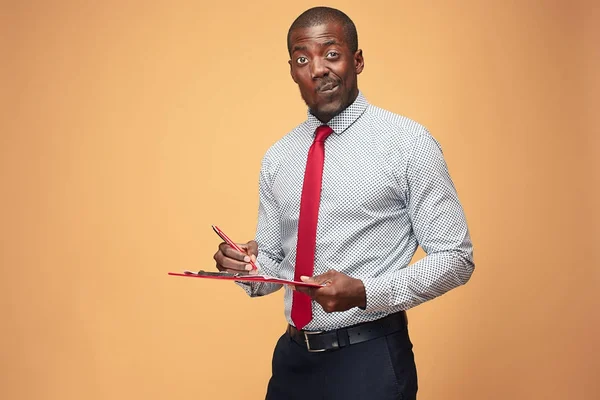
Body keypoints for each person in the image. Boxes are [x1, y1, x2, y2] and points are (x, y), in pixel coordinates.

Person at [213, 6, 474, 400]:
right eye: (303, 59)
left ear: (358, 60)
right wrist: (244, 264)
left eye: (331, 54)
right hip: (292, 362)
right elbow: (271, 263)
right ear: (292, 71)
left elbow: (456, 257)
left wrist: (366, 292)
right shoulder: (278, 157)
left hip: (369, 361)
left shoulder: (408, 143)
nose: (317, 69)